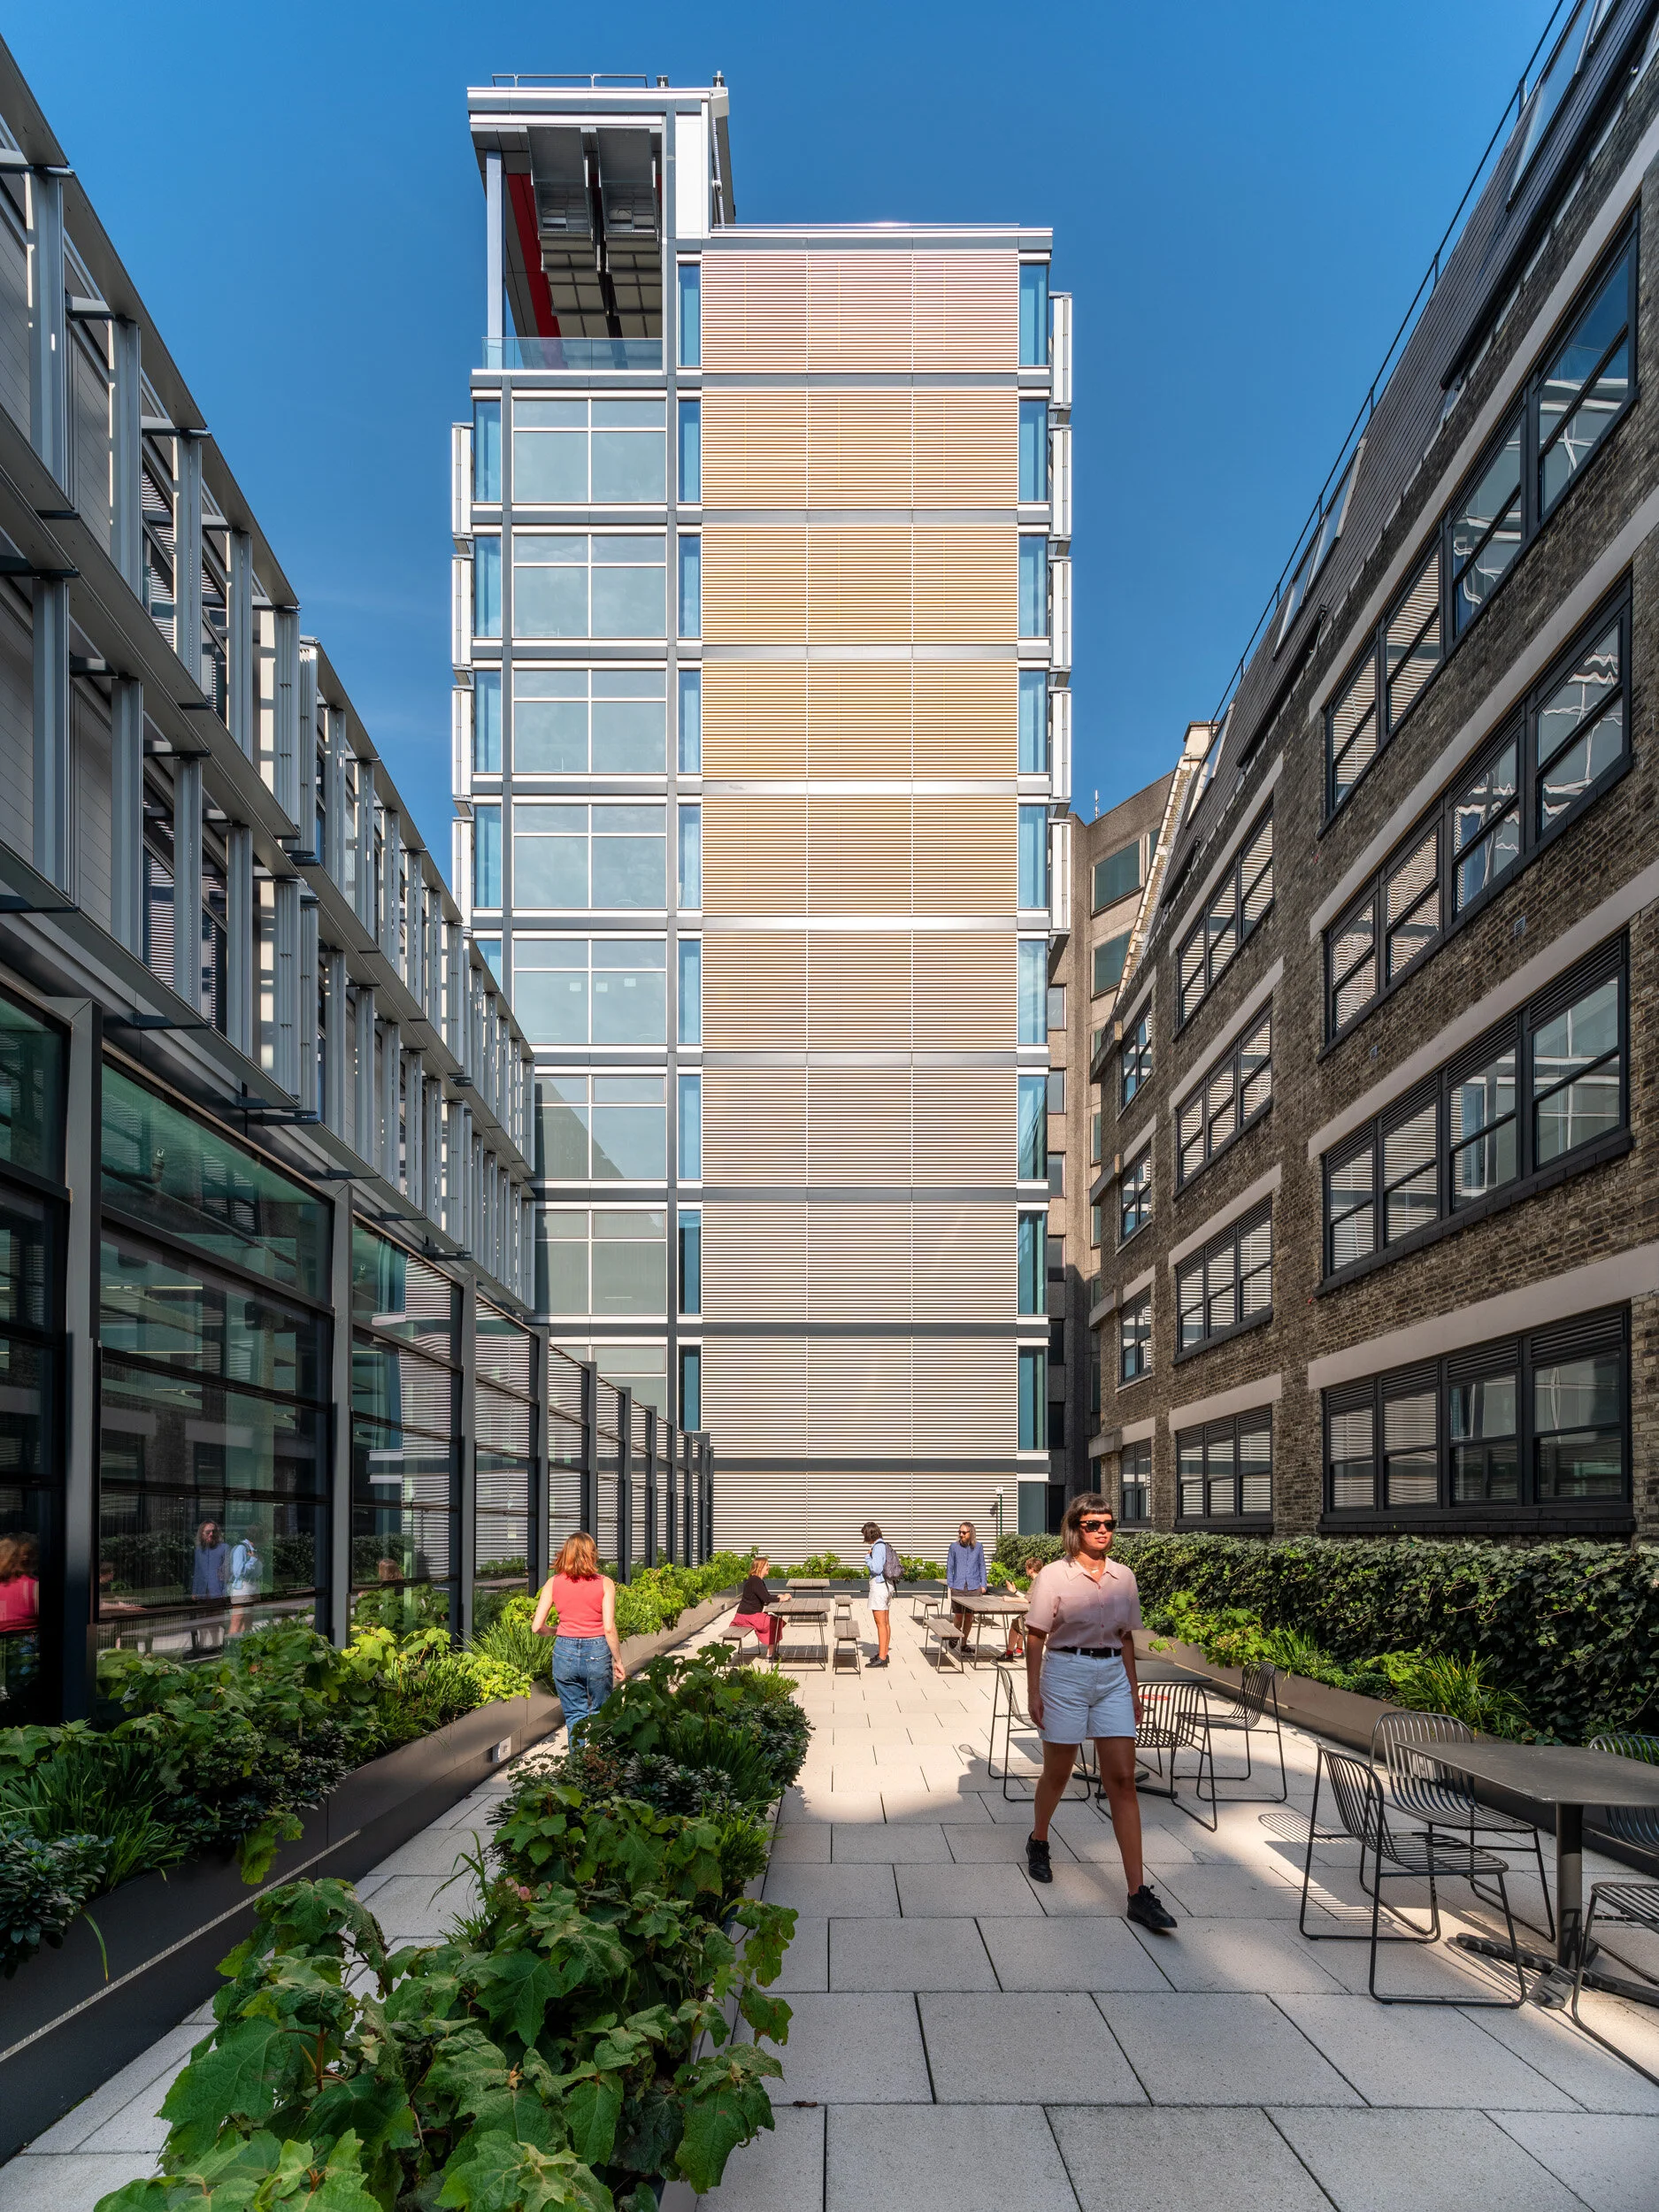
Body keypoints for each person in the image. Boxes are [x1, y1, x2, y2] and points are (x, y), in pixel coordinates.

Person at [1023, 1494, 1178, 1935]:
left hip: (1111, 1674)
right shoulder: (1053, 1576)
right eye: (1093, 1524)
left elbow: (1126, 1638)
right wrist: (1034, 1692)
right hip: (1065, 1674)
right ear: (1076, 1528)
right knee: (1059, 1772)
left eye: (1108, 1523)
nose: (1102, 1531)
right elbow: (1036, 1637)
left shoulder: (1123, 1577)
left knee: (1123, 1780)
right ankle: (1039, 1839)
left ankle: (1137, 1893)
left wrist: (1132, 1689)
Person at [532, 1532, 625, 1743]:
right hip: (597, 1651)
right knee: (602, 1713)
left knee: (575, 1715)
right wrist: (618, 1660)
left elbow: (537, 1627)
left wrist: (558, 1630)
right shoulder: (605, 1583)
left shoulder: (553, 1583)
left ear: (566, 1554)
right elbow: (608, 1628)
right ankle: (602, 1765)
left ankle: (578, 1770)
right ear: (592, 1554)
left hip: (564, 1652)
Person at [860, 1520, 901, 1667]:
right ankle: (884, 1653)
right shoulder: (884, 1545)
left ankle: (882, 1658)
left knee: (880, 1624)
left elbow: (876, 1569)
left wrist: (867, 1558)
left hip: (879, 1587)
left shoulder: (877, 1547)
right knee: (886, 1623)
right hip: (888, 1586)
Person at [945, 1520, 987, 1655]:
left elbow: (982, 1566)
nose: (961, 1534)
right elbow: (950, 1567)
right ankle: (955, 1636)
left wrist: (983, 1585)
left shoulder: (979, 1547)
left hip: (974, 1587)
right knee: (958, 1616)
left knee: (969, 1617)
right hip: (958, 1586)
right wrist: (950, 1585)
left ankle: (964, 1644)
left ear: (971, 1533)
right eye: (960, 1532)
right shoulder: (954, 1547)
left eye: (964, 1532)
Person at [729, 1555, 781, 1654]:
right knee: (775, 1622)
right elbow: (766, 1599)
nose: (769, 1567)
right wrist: (780, 1599)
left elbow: (766, 1596)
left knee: (775, 1621)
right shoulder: (755, 1581)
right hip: (747, 1617)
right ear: (760, 1567)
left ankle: (772, 1652)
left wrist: (779, 1597)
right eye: (767, 1565)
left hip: (748, 1616)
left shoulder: (756, 1580)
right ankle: (771, 1654)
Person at [227, 1529, 264, 1635]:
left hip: (253, 1587)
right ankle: (233, 1649)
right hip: (242, 1588)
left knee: (248, 1620)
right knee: (237, 1619)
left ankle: (244, 1647)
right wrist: (252, 1560)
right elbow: (238, 1572)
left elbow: (258, 1572)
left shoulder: (255, 1550)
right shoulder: (241, 1548)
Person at [191, 1521, 230, 1603]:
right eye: (208, 1532)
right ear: (202, 1534)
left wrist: (225, 1592)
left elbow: (227, 1572)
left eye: (214, 1532)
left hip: (218, 1594)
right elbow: (197, 1572)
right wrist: (194, 1592)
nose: (211, 1534)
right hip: (201, 1593)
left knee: (216, 1616)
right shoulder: (198, 1550)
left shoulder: (224, 1548)